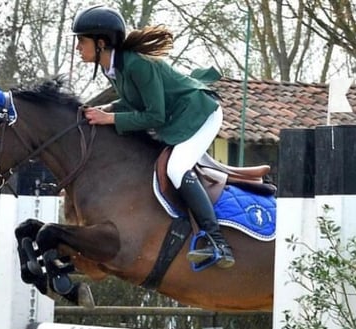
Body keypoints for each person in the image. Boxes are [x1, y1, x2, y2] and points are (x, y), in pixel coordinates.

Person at [72, 4, 234, 268]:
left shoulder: (136, 65)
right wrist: (106, 109)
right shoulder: (112, 68)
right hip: (178, 116)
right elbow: (135, 103)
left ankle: (218, 241)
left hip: (200, 113)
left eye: (82, 40)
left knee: (177, 168)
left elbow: (155, 116)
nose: (78, 47)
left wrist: (109, 118)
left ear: (101, 42)